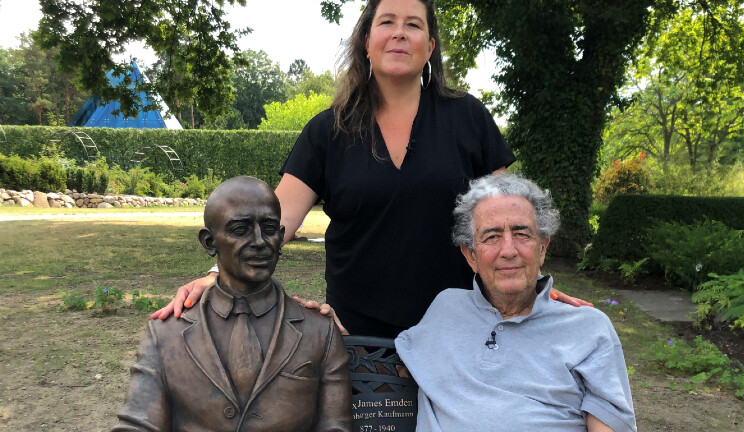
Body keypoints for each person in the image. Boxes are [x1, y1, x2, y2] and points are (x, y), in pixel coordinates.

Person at [152, 0, 590, 337]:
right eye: (387, 22)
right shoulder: (328, 130)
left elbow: (508, 220)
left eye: (414, 24)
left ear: (430, 47)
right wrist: (217, 276)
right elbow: (274, 222)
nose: (399, 33)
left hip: (463, 329)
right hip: (355, 335)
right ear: (366, 41)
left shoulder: (469, 118)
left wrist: (533, 285)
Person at [394, 173, 636, 431]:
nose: (509, 251)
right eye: (492, 237)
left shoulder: (589, 327)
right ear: (470, 255)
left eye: (522, 234)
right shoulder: (445, 309)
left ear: (542, 248)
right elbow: (386, 369)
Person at [114, 176, 352, 432]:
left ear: (281, 237)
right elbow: (137, 425)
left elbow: (335, 426)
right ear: (209, 242)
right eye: (240, 229)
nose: (260, 241)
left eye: (269, 229)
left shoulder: (320, 331)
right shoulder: (165, 334)